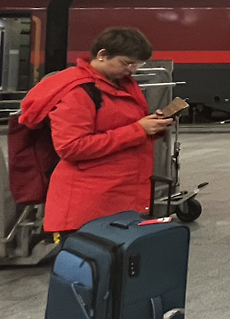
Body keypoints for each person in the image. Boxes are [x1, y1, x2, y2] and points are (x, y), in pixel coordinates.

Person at [18, 27, 172, 237]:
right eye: (127, 63)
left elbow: (123, 127)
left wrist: (152, 127)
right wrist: (138, 129)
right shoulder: (78, 91)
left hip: (115, 198)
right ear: (102, 54)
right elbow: (71, 147)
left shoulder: (120, 84)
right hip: (88, 204)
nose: (133, 70)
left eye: (138, 64)